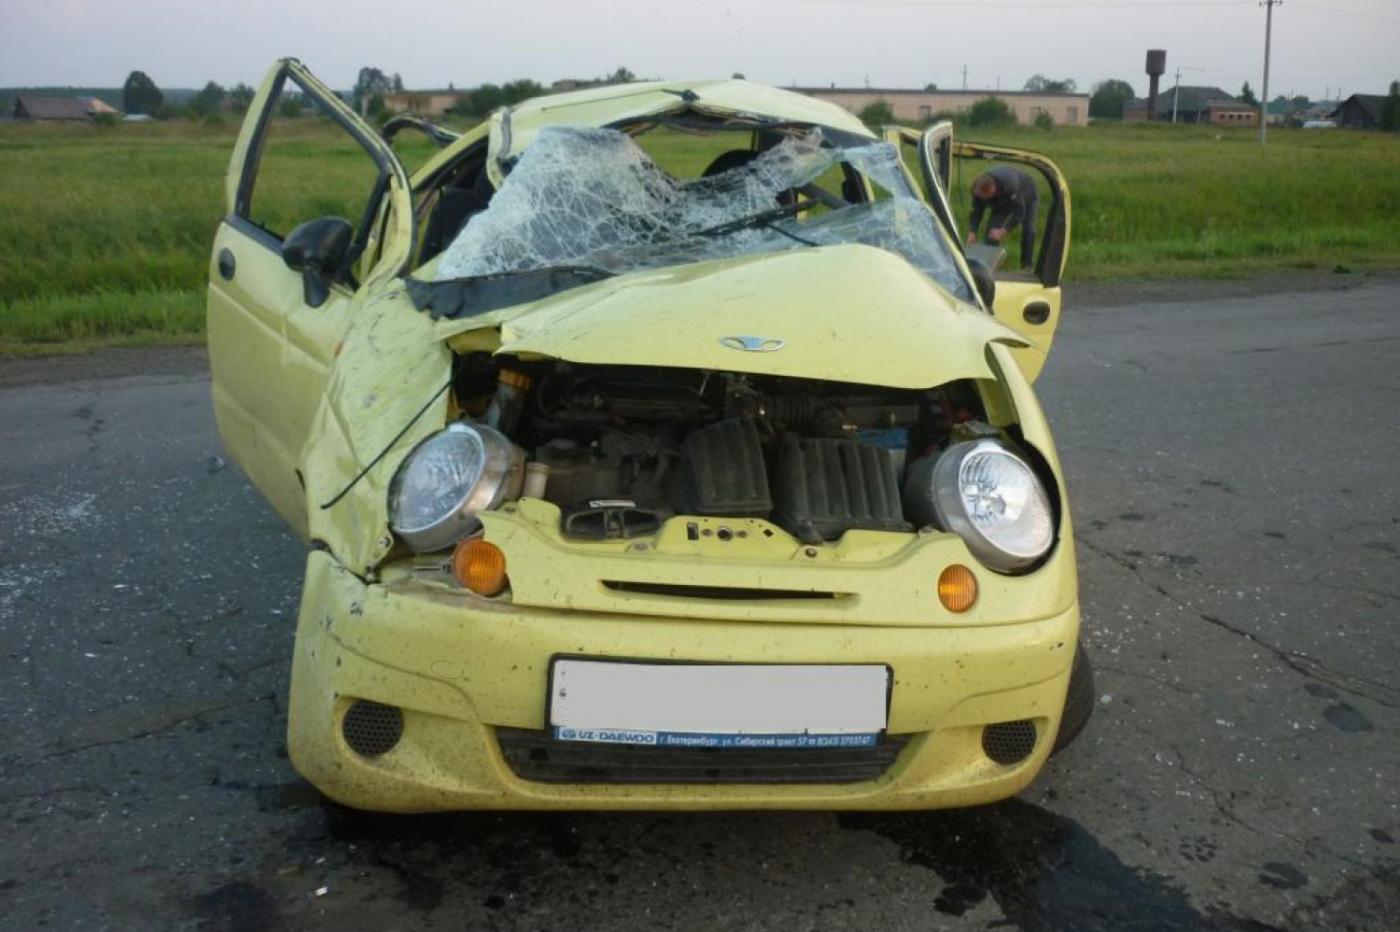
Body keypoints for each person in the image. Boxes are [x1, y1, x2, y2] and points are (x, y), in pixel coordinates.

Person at [966, 167, 1039, 271]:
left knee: (1029, 230)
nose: (984, 200)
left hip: (1026, 194)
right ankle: (986, 268)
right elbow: (976, 211)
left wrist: (1003, 231)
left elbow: (1019, 212)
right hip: (1000, 200)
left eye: (986, 197)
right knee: (992, 233)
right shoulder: (977, 190)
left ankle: (1027, 266)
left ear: (993, 188)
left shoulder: (1010, 184)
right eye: (982, 198)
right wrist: (972, 231)